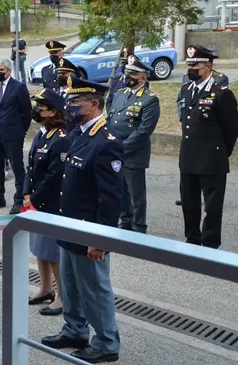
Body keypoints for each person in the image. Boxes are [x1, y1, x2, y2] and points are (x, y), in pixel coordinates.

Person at [41, 77, 123, 364]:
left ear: (94, 105)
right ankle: (75, 330)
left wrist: (99, 239)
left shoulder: (106, 142)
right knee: (72, 287)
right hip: (69, 226)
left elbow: (111, 199)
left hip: (89, 232)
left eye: (75, 102)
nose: (70, 106)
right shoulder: (79, 133)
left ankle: (106, 342)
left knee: (94, 291)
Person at [178, 44, 238, 249]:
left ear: (208, 66)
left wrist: (221, 152)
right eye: (189, 64)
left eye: (195, 64)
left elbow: (231, 129)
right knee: (189, 203)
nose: (191, 68)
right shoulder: (187, 90)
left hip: (211, 159)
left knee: (212, 207)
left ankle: (210, 242)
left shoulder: (221, 94)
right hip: (188, 157)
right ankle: (192, 238)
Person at [23, 88, 70, 317]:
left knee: (53, 253)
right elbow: (31, 168)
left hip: (50, 204)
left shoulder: (60, 139)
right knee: (40, 249)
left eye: (40, 108)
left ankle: (62, 297)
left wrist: (34, 198)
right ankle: (45, 288)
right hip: (36, 202)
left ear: (53, 112)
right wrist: (25, 193)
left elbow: (54, 177)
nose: (36, 111)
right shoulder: (43, 133)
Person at [107, 55, 160, 233]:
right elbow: (111, 119)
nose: (127, 76)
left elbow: (144, 130)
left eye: (133, 74)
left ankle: (139, 227)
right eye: (127, 72)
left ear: (143, 77)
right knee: (120, 190)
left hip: (133, 153)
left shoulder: (149, 99)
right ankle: (125, 222)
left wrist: (122, 147)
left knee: (136, 193)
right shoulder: (120, 94)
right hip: (116, 151)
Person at [0, 58, 31, 214]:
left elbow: (27, 112)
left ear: (9, 72)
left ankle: (18, 200)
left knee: (17, 168)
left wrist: (21, 131)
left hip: (13, 134)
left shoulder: (18, 87)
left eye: (1, 70)